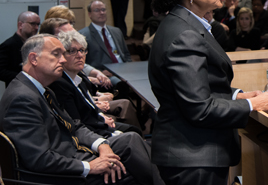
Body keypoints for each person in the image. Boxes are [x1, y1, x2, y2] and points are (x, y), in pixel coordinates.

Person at [148, 0, 268, 184]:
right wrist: (252, 104)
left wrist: (236, 95)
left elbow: (200, 84)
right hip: (193, 155)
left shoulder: (184, 23)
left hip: (192, 151)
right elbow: (199, 108)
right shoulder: (185, 35)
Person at [0, 34, 164, 184]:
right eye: (56, 54)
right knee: (127, 171)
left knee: (130, 140)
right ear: (34, 59)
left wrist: (102, 146)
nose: (63, 60)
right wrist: (89, 166)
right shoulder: (22, 98)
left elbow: (74, 125)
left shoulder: (41, 89)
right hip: (59, 173)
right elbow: (39, 159)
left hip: (72, 153)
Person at [49, 31, 142, 137]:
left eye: (82, 50)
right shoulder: (60, 84)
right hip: (89, 134)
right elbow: (78, 123)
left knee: (134, 131)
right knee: (133, 136)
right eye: (72, 51)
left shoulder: (79, 76)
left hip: (96, 123)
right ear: (62, 56)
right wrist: (102, 120)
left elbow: (87, 103)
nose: (79, 55)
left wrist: (101, 115)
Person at [79, 0, 132, 69]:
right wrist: (99, 73)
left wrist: (129, 67)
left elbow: (126, 54)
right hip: (103, 73)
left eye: (103, 10)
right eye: (97, 10)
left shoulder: (117, 31)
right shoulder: (83, 35)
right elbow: (83, 62)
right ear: (89, 14)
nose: (101, 13)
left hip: (124, 69)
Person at [0, 11, 40, 86]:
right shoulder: (8, 45)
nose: (37, 28)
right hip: (17, 88)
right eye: (33, 24)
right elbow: (1, 71)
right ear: (20, 25)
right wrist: (24, 77)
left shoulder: (35, 44)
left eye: (38, 24)